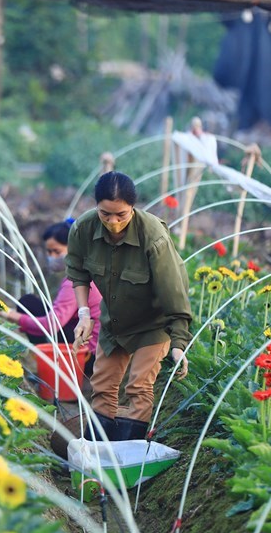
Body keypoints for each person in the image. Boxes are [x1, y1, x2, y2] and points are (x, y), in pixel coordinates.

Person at [66, 171, 193, 441]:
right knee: (101, 385)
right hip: (115, 321)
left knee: (138, 388)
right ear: (96, 206)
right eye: (105, 214)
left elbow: (174, 293)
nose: (113, 222)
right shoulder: (83, 229)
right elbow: (78, 272)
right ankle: (97, 455)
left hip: (153, 323)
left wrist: (179, 344)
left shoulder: (153, 236)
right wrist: (84, 314)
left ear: (132, 208)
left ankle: (129, 456)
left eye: (121, 215)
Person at [0, 221, 102, 375]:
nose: (51, 257)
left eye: (56, 251)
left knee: (28, 304)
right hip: (96, 351)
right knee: (31, 305)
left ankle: (52, 369)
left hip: (88, 358)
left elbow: (51, 325)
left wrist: (12, 316)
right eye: (48, 252)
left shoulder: (75, 281)